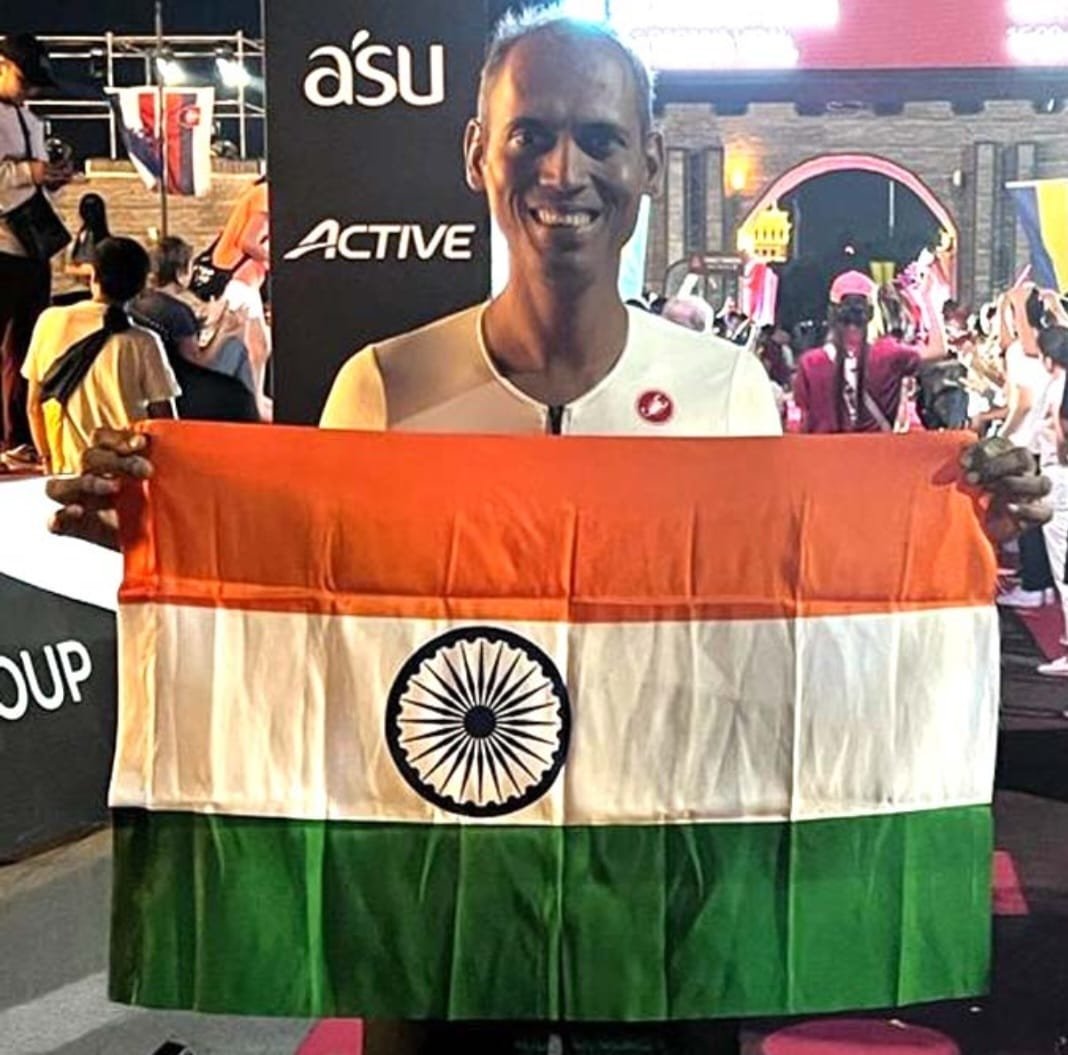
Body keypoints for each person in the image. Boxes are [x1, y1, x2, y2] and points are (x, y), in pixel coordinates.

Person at [43, 12, 1052, 1053]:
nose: (565, 170)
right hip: (440, 909)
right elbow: (314, 636)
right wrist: (172, 542)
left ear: (648, 162)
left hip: (663, 900)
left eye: (601, 138)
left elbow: (783, 636)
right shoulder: (385, 386)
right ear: (477, 151)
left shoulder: (723, 391)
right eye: (532, 133)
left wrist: (953, 532)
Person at [21, 236, 179, 474]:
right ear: (141, 287)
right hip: (126, 472)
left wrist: (48, 460)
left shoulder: (50, 321)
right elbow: (165, 421)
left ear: (93, 276)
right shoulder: (144, 342)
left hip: (70, 471)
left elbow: (34, 406)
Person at [0, 33, 73, 463]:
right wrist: (32, 172)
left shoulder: (30, 118)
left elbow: (32, 180)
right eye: (25, 81)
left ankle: (19, 438)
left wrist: (52, 177)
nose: (30, 92)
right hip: (4, 244)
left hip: (33, 246)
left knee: (28, 350)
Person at [792, 271, 946, 434]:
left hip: (824, 449)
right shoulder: (890, 354)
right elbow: (938, 349)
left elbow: (805, 420)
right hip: (878, 449)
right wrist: (928, 299)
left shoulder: (810, 363)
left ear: (832, 313)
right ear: (871, 313)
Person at [129, 236, 259, 423]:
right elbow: (198, 363)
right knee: (237, 347)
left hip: (155, 378)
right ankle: (249, 410)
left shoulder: (140, 302)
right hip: (183, 385)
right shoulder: (178, 312)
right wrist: (223, 330)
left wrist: (209, 322)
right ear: (181, 272)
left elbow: (173, 336)